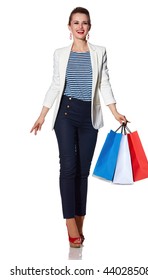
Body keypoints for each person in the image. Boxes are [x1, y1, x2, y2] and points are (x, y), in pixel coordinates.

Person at [30, 7, 127, 248]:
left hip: (89, 117)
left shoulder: (99, 52)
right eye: (76, 22)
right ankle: (70, 223)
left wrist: (115, 112)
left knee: (83, 170)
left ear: (89, 27)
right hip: (65, 113)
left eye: (84, 22)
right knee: (68, 166)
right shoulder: (60, 53)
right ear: (69, 26)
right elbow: (55, 84)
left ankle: (80, 217)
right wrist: (42, 114)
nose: (80, 26)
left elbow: (104, 82)